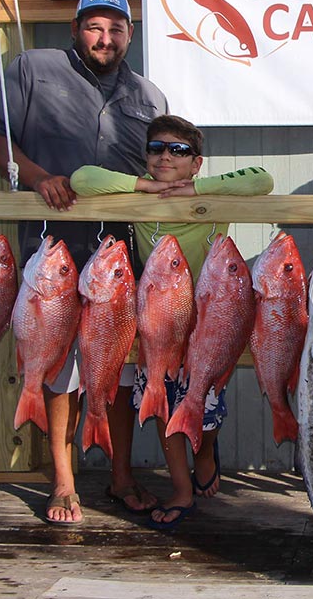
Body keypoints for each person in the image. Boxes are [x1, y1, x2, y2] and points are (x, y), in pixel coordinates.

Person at [0, 0, 167, 525]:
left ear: (130, 35)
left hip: (120, 252)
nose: (105, 39)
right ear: (76, 29)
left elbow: (158, 170)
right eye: (94, 27)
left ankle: (122, 477)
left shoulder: (150, 96)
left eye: (116, 29)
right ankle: (63, 480)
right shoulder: (33, 69)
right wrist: (39, 180)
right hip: (51, 249)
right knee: (59, 367)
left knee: (118, 372)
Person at [70, 114, 274, 529]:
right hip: (160, 324)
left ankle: (204, 451)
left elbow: (261, 180)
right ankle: (182, 490)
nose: (166, 156)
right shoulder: (142, 197)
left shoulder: (210, 193)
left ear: (196, 162)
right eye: (157, 148)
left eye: (178, 151)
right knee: (163, 404)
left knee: (207, 407)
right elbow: (82, 179)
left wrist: (195, 188)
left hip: (210, 323)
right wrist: (146, 187)